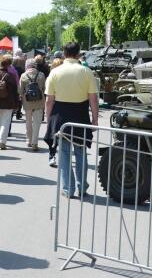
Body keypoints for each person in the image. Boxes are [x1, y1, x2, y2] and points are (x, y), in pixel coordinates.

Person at [45, 42, 99, 198]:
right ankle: (82, 187)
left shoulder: (55, 72)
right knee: (81, 152)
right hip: (80, 115)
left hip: (61, 117)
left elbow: (49, 100)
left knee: (64, 154)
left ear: (64, 53)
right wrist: (95, 119)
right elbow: (93, 99)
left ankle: (68, 188)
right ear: (78, 54)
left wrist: (49, 120)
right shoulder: (86, 71)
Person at [0, 56, 19, 149]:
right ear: (9, 65)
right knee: (5, 122)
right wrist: (17, 104)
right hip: (8, 102)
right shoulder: (11, 76)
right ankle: (2, 141)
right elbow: (15, 91)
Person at [20, 58, 46, 152]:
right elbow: (44, 88)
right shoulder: (41, 75)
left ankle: (28, 140)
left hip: (27, 101)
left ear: (27, 66)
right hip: (39, 101)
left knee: (28, 121)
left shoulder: (23, 75)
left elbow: (20, 90)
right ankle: (35, 142)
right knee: (37, 122)